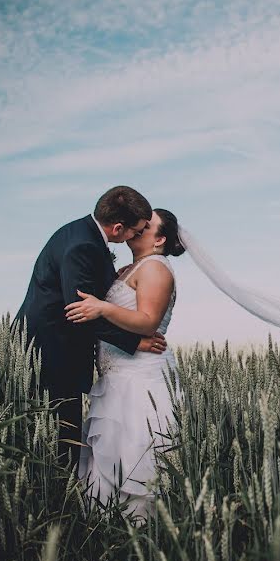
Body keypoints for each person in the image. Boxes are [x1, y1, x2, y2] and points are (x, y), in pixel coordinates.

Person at [14, 186, 168, 467]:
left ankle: (63, 495)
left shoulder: (80, 233)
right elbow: (81, 311)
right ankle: (60, 499)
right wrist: (135, 342)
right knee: (62, 435)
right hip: (52, 353)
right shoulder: (83, 246)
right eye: (137, 230)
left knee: (61, 433)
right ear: (119, 228)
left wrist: (116, 279)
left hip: (55, 349)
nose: (138, 235)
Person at [64, 208, 184, 521]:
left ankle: (142, 531)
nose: (138, 226)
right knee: (110, 455)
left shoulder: (156, 268)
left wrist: (101, 307)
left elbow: (147, 322)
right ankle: (104, 531)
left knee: (137, 453)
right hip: (117, 376)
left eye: (147, 225)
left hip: (140, 378)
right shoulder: (132, 268)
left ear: (159, 239)